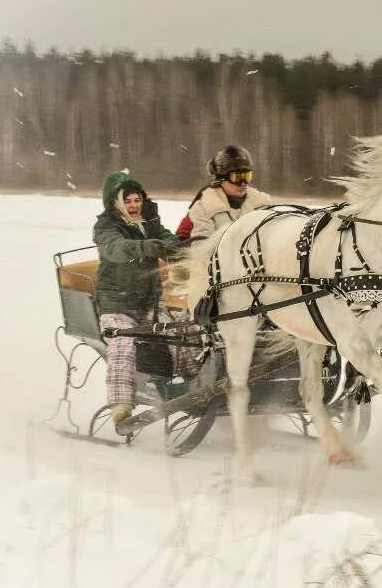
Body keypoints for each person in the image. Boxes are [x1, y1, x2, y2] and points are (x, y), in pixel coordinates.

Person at [93, 170, 186, 428]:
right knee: (123, 342)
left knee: (184, 331)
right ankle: (121, 406)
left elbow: (168, 236)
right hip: (116, 304)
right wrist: (141, 247)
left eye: (137, 200)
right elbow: (114, 248)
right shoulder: (105, 227)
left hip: (149, 301)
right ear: (116, 204)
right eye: (128, 201)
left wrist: (172, 245)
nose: (134, 206)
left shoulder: (150, 221)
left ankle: (190, 387)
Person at [176, 145, 274, 243]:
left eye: (247, 176)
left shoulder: (263, 206)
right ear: (221, 180)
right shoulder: (203, 209)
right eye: (237, 178)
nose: (243, 183)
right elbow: (201, 249)